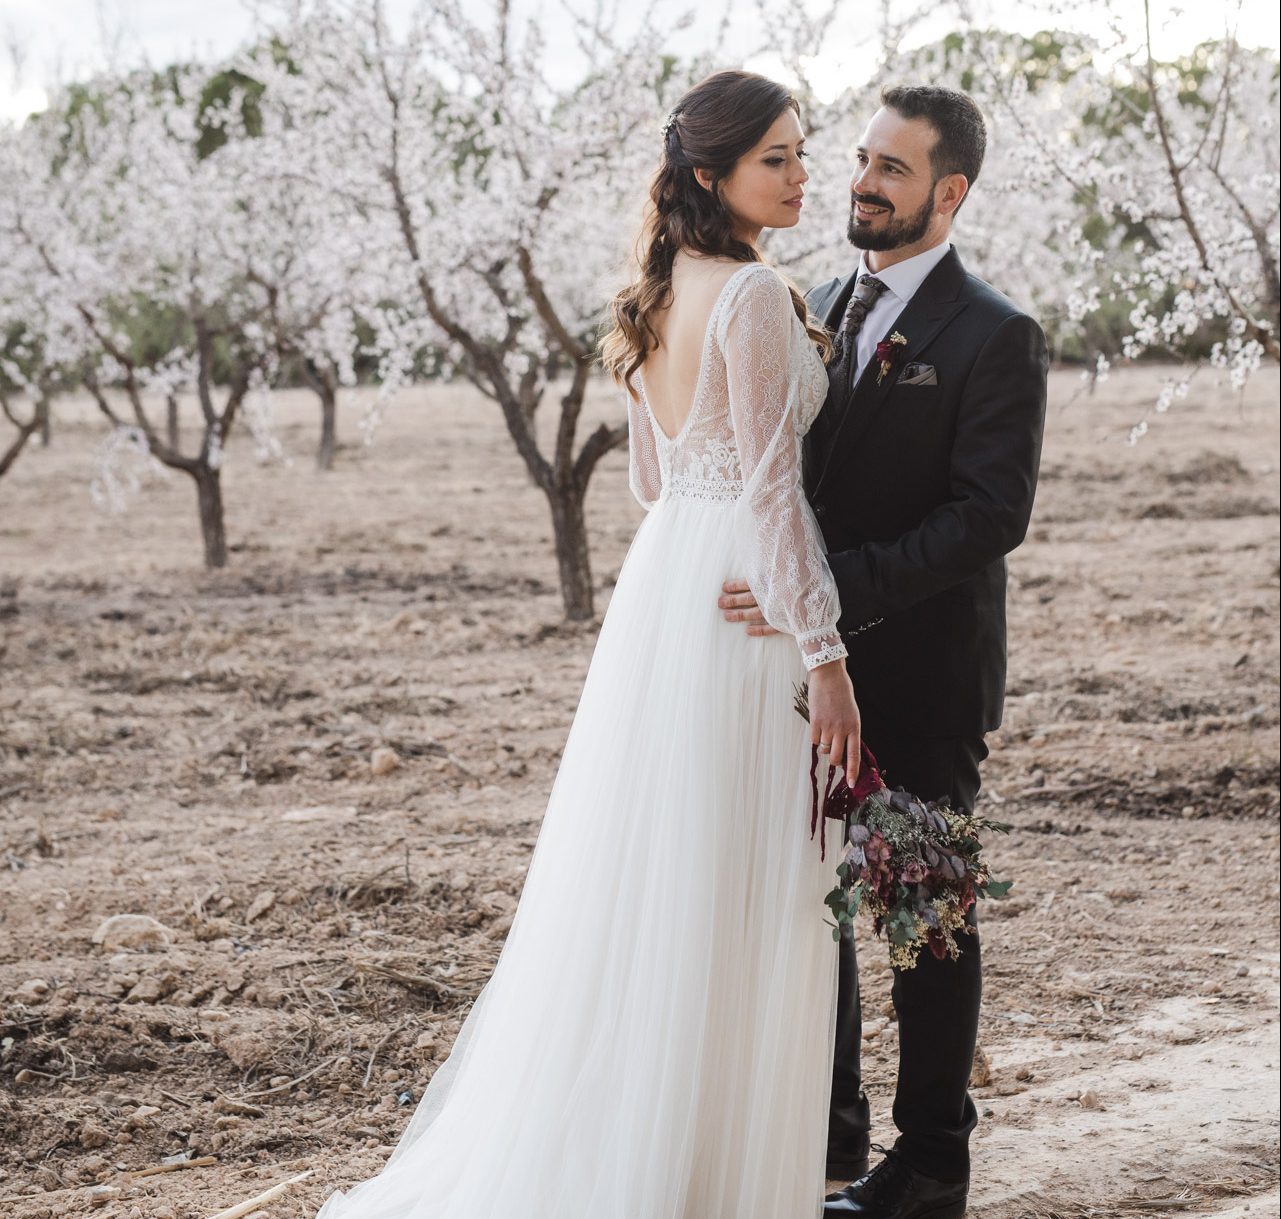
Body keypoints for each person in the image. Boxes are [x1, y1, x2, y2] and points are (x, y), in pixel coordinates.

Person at [316, 69, 858, 1219]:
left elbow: (658, 480)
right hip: (738, 604)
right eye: (779, 158)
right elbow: (771, 495)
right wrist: (827, 655)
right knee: (736, 890)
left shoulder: (659, 293)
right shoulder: (755, 299)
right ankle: (710, 1179)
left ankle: (649, 1149)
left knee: (668, 881)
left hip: (668, 591)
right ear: (713, 173)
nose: (804, 174)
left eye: (806, 152)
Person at [719, 86, 1049, 1219]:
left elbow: (989, 516)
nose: (861, 181)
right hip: (808, 677)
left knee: (922, 911)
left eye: (892, 169)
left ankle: (931, 1164)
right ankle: (831, 1123)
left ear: (948, 193)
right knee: (817, 901)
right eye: (860, 159)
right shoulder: (811, 300)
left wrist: (826, 593)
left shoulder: (994, 334)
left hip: (921, 679)